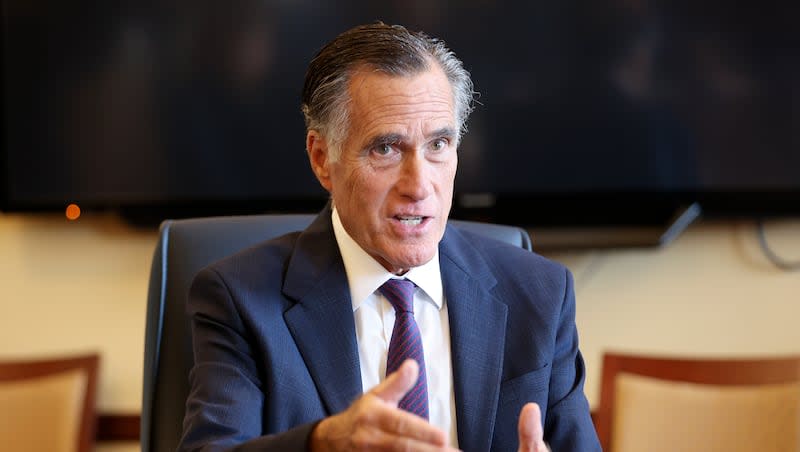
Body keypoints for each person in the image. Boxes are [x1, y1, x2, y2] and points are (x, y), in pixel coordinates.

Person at [179, 22, 600, 451]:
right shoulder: (240, 300)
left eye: (438, 145)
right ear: (323, 159)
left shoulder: (540, 295)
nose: (419, 185)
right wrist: (323, 444)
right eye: (386, 149)